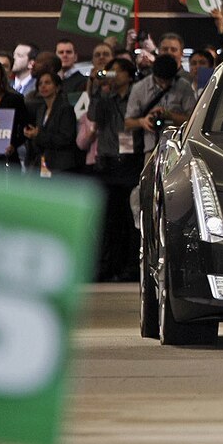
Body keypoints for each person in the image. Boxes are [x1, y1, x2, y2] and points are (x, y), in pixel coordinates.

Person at [88, 58, 139, 281]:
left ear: (128, 75)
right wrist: (97, 88)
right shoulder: (106, 98)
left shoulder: (136, 97)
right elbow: (93, 117)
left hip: (129, 162)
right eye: (111, 72)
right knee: (108, 221)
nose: (112, 76)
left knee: (130, 220)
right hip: (108, 161)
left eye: (117, 72)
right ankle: (107, 266)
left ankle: (130, 267)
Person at [124, 54, 196, 154]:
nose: (164, 85)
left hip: (178, 148)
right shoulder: (139, 88)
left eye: (168, 81)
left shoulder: (184, 86)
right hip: (151, 148)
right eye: (161, 81)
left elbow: (193, 120)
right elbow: (127, 123)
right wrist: (143, 122)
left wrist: (170, 115)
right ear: (154, 74)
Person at [24, 71, 77, 175]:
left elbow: (66, 138)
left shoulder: (65, 109)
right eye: (40, 84)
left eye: (48, 83)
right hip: (44, 164)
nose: (43, 86)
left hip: (61, 166)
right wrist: (33, 135)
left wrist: (38, 134)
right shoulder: (41, 110)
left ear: (57, 87)